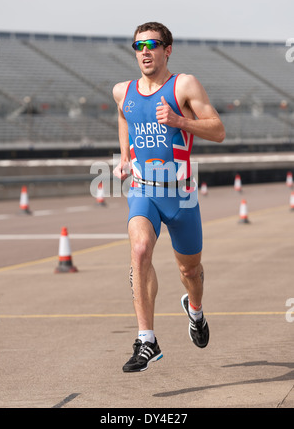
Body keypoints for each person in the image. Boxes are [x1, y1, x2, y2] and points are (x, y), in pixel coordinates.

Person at [113, 22, 225, 373]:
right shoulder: (122, 91)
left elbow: (218, 130)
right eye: (138, 45)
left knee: (189, 270)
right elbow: (124, 116)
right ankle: (147, 340)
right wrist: (125, 157)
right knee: (140, 249)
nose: (144, 51)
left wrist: (180, 120)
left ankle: (195, 310)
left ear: (167, 49)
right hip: (144, 190)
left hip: (182, 196)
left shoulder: (184, 85)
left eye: (152, 44)